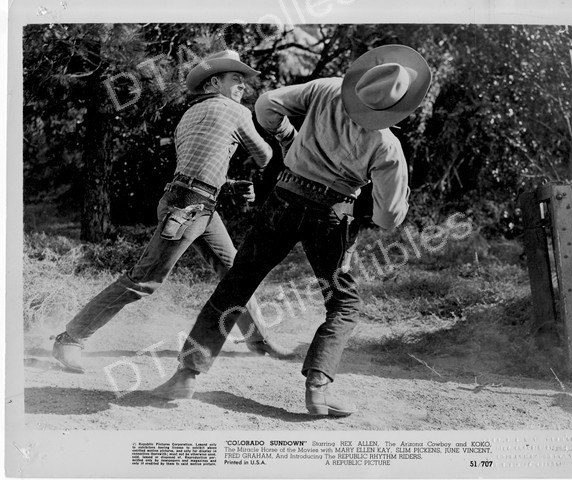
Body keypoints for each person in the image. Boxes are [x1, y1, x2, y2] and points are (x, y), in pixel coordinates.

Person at [152, 45, 432, 416]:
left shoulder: (327, 89)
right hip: (331, 216)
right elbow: (388, 218)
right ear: (398, 106)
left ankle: (186, 375)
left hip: (283, 198)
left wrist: (288, 136)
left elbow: (266, 105)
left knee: (237, 284)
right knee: (344, 303)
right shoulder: (387, 145)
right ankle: (318, 388)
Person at [52, 50, 295, 374]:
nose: (243, 86)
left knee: (236, 272)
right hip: (190, 207)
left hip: (189, 201)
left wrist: (228, 185)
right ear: (213, 83)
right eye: (236, 79)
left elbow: (194, 171)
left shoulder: (188, 117)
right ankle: (70, 339)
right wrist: (281, 132)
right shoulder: (235, 110)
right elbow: (264, 157)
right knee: (144, 280)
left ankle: (258, 340)